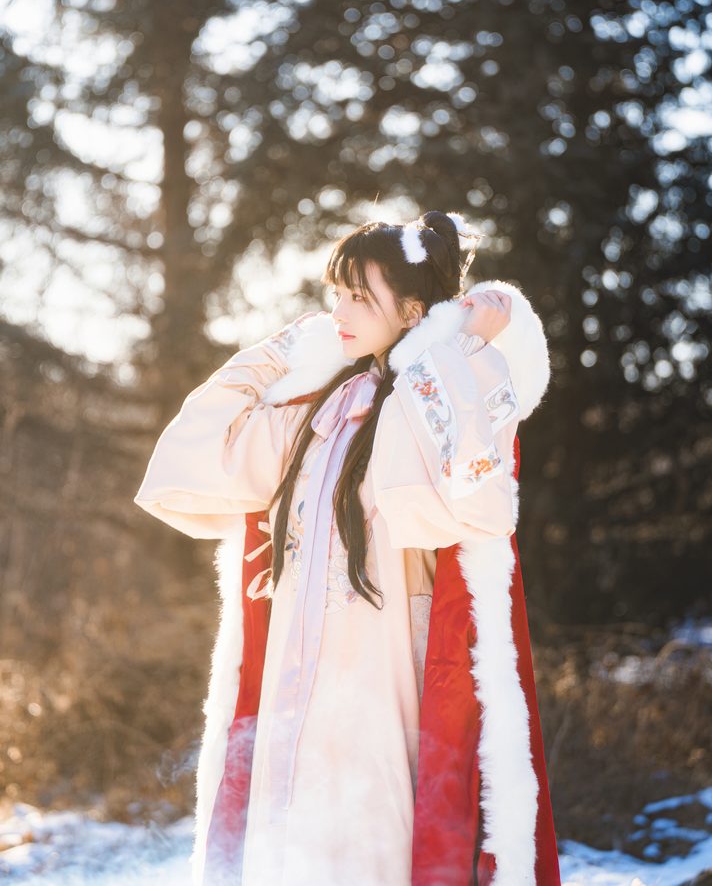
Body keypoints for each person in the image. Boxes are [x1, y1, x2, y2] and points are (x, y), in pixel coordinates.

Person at [133, 210, 562, 886]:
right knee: (286, 850)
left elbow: (463, 502)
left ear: (414, 310)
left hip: (380, 692)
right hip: (292, 691)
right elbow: (191, 459)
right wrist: (285, 352)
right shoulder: (318, 412)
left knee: (368, 849)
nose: (338, 312)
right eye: (337, 293)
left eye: (359, 297)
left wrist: (448, 337)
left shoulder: (442, 398)